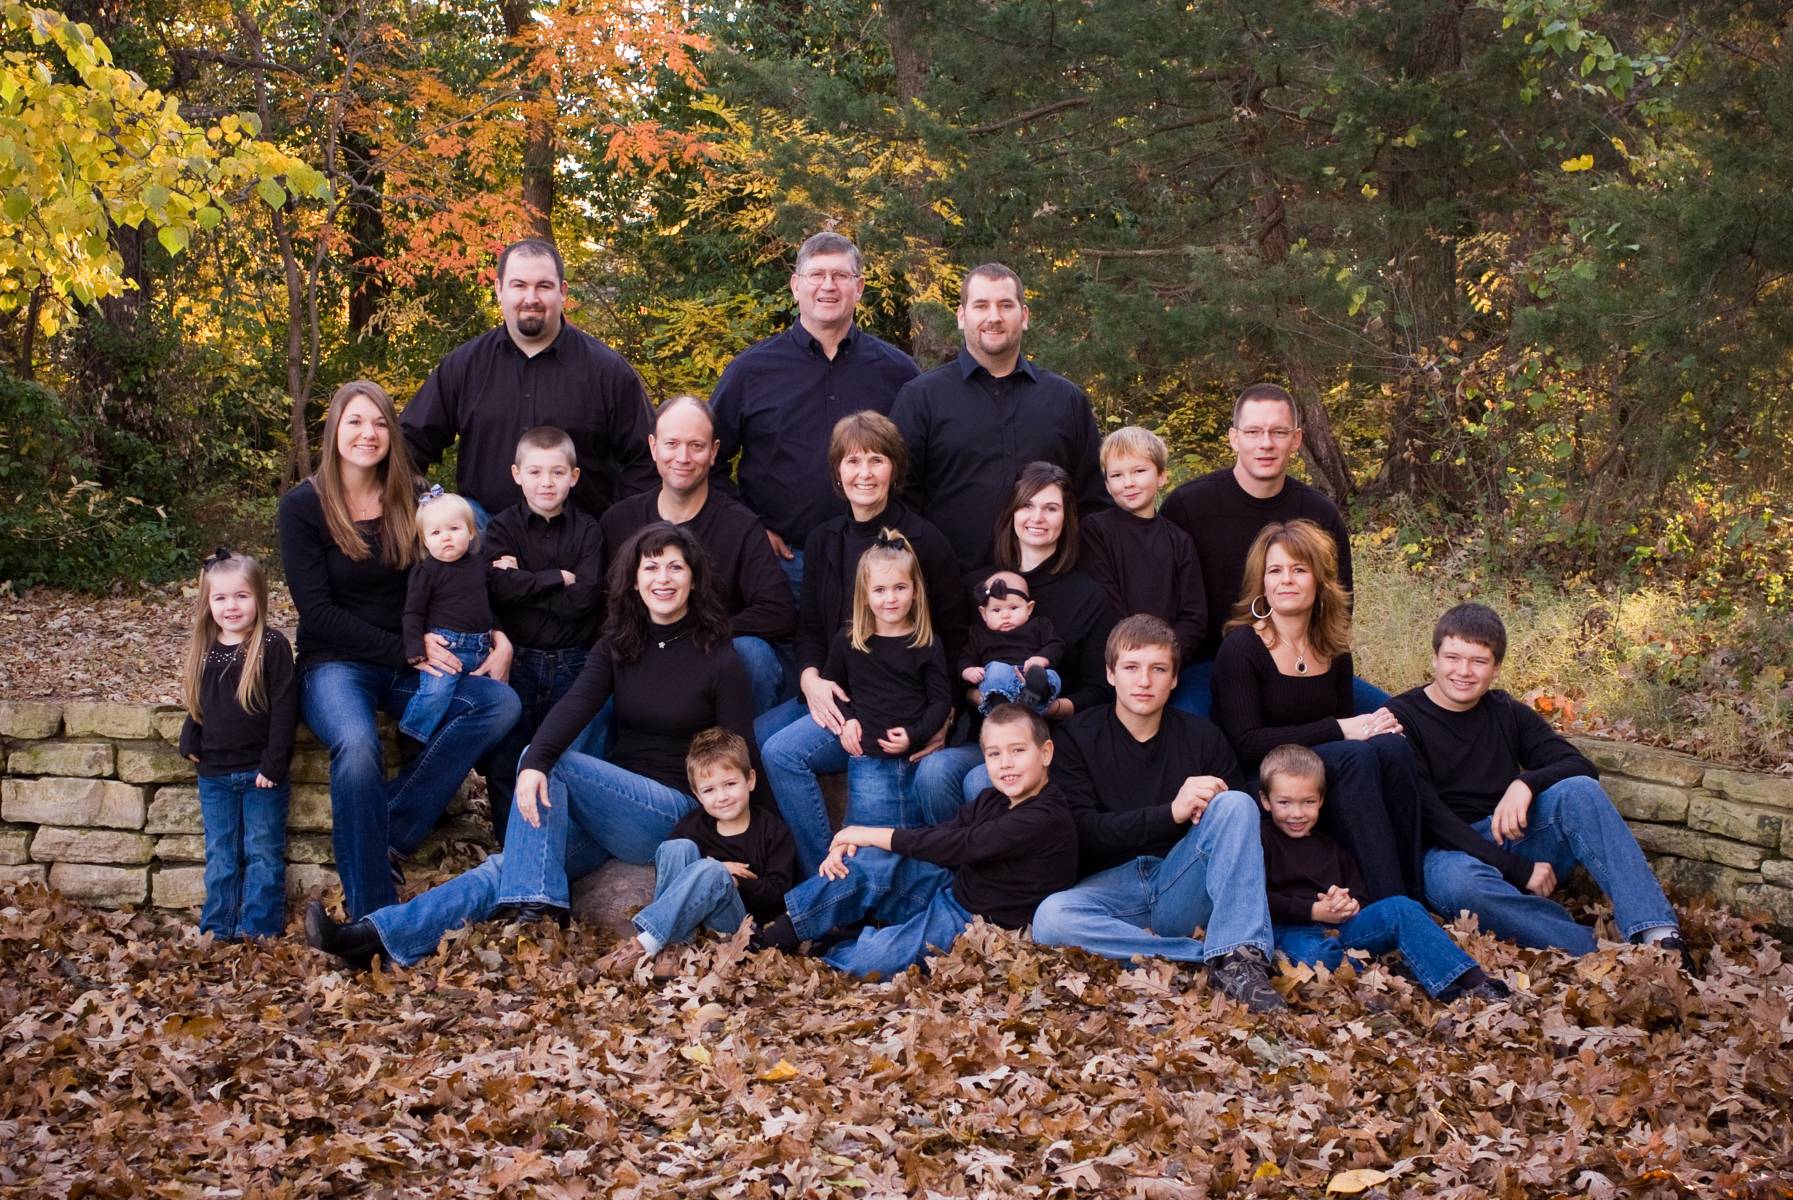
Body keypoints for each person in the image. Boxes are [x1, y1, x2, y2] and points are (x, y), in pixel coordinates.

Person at [303, 523, 756, 965]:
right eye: (651, 568)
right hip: (607, 811)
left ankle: (536, 913)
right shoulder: (618, 645)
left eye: (675, 568)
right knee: (507, 863)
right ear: (634, 581)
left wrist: (737, 852)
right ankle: (376, 935)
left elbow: (741, 757)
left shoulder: (718, 657)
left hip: (671, 811)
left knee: (546, 764)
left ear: (693, 579)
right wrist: (534, 763)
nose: (663, 579)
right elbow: (572, 708)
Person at [278, 380, 519, 921]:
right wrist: (405, 651)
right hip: (335, 664)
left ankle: (384, 829)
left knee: (499, 704)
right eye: (356, 422)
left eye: (380, 423)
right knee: (358, 745)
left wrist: (499, 636)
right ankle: (373, 916)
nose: (368, 434)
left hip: (415, 658)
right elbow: (318, 614)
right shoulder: (303, 507)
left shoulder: (412, 497)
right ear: (333, 430)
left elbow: (461, 577)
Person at [1388, 604, 1692, 966]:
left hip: (1513, 836)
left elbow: (1580, 765)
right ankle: (1602, 954)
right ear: (1435, 659)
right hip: (1448, 855)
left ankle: (1657, 935)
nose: (1464, 672)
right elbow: (1432, 818)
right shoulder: (1401, 718)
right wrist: (1519, 871)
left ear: (1496, 668)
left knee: (1579, 790)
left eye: (1479, 661)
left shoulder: (1506, 712)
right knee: (1460, 885)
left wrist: (1525, 782)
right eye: (1453, 657)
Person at [1029, 615, 1286, 1013]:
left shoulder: (1202, 738)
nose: (1144, 681)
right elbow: (1081, 831)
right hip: (1113, 891)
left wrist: (1205, 816)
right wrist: (1173, 812)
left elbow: (1237, 838)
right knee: (1051, 918)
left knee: (1236, 803)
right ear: (1111, 675)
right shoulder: (1077, 737)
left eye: (1158, 669)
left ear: (1175, 679)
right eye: (1131, 668)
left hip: (1182, 879)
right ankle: (1202, 956)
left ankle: (1240, 957)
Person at [758, 412, 969, 845]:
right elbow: (812, 628)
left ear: (895, 468)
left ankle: (832, 869)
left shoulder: (924, 540)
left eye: (876, 460)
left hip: (895, 705)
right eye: (852, 462)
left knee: (781, 752)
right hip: (839, 694)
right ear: (838, 472)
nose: (864, 473)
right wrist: (810, 678)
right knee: (758, 734)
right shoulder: (824, 540)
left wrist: (942, 718)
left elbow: (955, 636)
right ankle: (804, 864)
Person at [752, 704, 1079, 980]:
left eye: (1017, 750)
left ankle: (839, 943)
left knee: (873, 958)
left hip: (978, 924)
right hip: (954, 886)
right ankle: (784, 932)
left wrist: (867, 832)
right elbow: (945, 835)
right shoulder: (994, 799)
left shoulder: (1045, 816)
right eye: (994, 754)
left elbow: (961, 845)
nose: (1005, 763)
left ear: (1045, 753)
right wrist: (863, 844)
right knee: (867, 861)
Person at [1209, 519, 1421, 901]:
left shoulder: (1333, 650)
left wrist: (1375, 726)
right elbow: (1245, 743)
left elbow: (1347, 734)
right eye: (1275, 570)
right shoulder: (1242, 648)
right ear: (1262, 583)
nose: (1286, 580)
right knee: (1355, 756)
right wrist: (1341, 729)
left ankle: (1413, 890)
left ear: (1320, 581)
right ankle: (1392, 904)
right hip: (1267, 779)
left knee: (1393, 747)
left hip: (1322, 775)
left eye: (1299, 569)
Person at [710, 232, 920, 599]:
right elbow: (709, 459)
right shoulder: (751, 371)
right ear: (796, 285)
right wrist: (750, 527)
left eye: (840, 276)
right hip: (782, 562)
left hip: (878, 564)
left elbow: (919, 464)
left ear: (859, 287)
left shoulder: (898, 372)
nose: (828, 286)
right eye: (816, 275)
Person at [1159, 383, 1380, 716]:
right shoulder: (1188, 507)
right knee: (1191, 733)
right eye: (1253, 432)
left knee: (1394, 721)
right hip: (1208, 666)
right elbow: (1164, 601)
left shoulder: (1319, 514)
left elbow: (1338, 604)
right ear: (1234, 438)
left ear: (1296, 439)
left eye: (1279, 432)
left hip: (1298, 665)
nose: (1266, 444)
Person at [401, 237, 656, 525]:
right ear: (499, 290)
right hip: (485, 542)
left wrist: (618, 528)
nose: (530, 298)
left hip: (581, 545)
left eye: (543, 286)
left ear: (562, 292)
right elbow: (409, 444)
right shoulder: (465, 367)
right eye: (519, 285)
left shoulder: (606, 371)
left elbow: (647, 460)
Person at [916, 461, 1116, 808]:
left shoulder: (1088, 596)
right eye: (1027, 505)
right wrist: (984, 698)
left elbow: (1098, 690)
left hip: (1048, 740)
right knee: (934, 772)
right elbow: (954, 667)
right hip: (983, 732)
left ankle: (991, 861)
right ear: (1011, 512)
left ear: (1066, 518)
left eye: (1051, 508)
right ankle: (955, 860)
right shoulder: (976, 587)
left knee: (983, 782)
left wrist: (1046, 707)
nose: (1037, 517)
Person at [890, 263, 1107, 571]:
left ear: (1025, 316)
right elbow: (901, 501)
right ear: (962, 316)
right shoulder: (921, 398)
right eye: (981, 305)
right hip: (950, 590)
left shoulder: (1065, 400)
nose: (994, 317)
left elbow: (1092, 501)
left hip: (1049, 589)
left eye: (1006, 305)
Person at [1257, 744, 1510, 1004]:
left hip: (1343, 929)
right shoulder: (1260, 839)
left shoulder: (1331, 845)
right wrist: (1312, 910)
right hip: (1291, 931)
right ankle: (1371, 981)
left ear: (1321, 800)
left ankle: (1469, 982)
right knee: (1313, 954)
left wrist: (1347, 904)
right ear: (1266, 800)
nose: (1297, 813)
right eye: (1284, 802)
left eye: (1308, 802)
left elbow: (1361, 896)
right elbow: (1258, 900)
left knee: (1400, 907)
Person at [769, 533, 952, 876]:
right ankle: (830, 891)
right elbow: (837, 687)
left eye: (899, 588)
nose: (890, 599)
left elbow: (941, 699)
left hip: (909, 757)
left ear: (915, 590)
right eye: (880, 590)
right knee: (857, 847)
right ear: (865, 596)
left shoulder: (926, 644)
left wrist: (916, 735)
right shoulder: (851, 641)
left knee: (899, 847)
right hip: (865, 759)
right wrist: (849, 721)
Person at [600, 395, 796, 714]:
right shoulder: (619, 521)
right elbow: (605, 606)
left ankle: (744, 757)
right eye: (672, 443)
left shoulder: (741, 526)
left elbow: (778, 611)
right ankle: (553, 761)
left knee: (753, 653)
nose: (683, 457)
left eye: (696, 445)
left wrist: (696, 630)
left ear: (715, 452)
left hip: (711, 658)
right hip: (641, 658)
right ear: (653, 447)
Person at [481, 426, 607, 844]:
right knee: (506, 758)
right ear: (517, 474)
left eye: (557, 472)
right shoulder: (501, 528)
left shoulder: (588, 530)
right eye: (535, 472)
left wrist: (524, 583)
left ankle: (559, 851)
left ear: (574, 476)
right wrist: (557, 579)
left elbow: (586, 598)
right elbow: (495, 589)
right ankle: (507, 850)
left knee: (563, 757)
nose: (546, 482)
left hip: (572, 662)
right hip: (518, 662)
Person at [596, 728, 796, 980]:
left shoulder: (772, 831)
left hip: (736, 928)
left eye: (730, 784)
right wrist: (712, 869)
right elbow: (671, 874)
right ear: (697, 794)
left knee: (713, 871)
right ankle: (672, 947)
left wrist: (729, 878)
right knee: (676, 848)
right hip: (694, 924)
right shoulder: (693, 825)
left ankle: (645, 942)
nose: (722, 797)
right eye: (709, 790)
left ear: (750, 780)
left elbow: (778, 892)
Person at [178, 549, 297, 940]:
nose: (231, 606)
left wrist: (273, 764)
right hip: (214, 774)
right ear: (207, 602)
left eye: (241, 596)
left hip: (261, 773)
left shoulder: (270, 645)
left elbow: (284, 708)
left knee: (262, 853)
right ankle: (218, 928)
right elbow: (200, 700)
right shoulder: (205, 647)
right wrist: (190, 732)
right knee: (222, 854)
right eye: (221, 597)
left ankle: (258, 931)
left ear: (259, 598)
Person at [1079, 426, 1206, 682]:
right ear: (1106, 484)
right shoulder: (1096, 531)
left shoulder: (1179, 540)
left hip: (1167, 665)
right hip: (1115, 664)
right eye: (1117, 475)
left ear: (1161, 476)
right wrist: (1132, 661)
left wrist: (1162, 660)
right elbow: (1104, 603)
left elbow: (1194, 616)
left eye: (1139, 471)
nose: (1129, 483)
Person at [399, 490, 508, 745]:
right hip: (447, 648)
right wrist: (414, 648)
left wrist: (505, 570)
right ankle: (412, 736)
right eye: (435, 533)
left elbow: (487, 603)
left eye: (454, 529)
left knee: (499, 696)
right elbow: (413, 612)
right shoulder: (425, 572)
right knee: (436, 693)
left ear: (471, 532)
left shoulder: (478, 566)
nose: (446, 537)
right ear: (425, 541)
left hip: (481, 648)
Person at [959, 570, 1063, 715]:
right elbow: (965, 657)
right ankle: (1000, 703)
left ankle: (1033, 697)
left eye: (1013, 608)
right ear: (983, 614)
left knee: (1051, 675)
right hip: (998, 681)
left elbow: (1055, 645)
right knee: (997, 670)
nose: (1005, 615)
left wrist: (1042, 659)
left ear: (1029, 608)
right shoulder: (979, 634)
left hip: (1028, 676)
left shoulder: (1039, 625)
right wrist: (968, 671)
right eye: (996, 610)